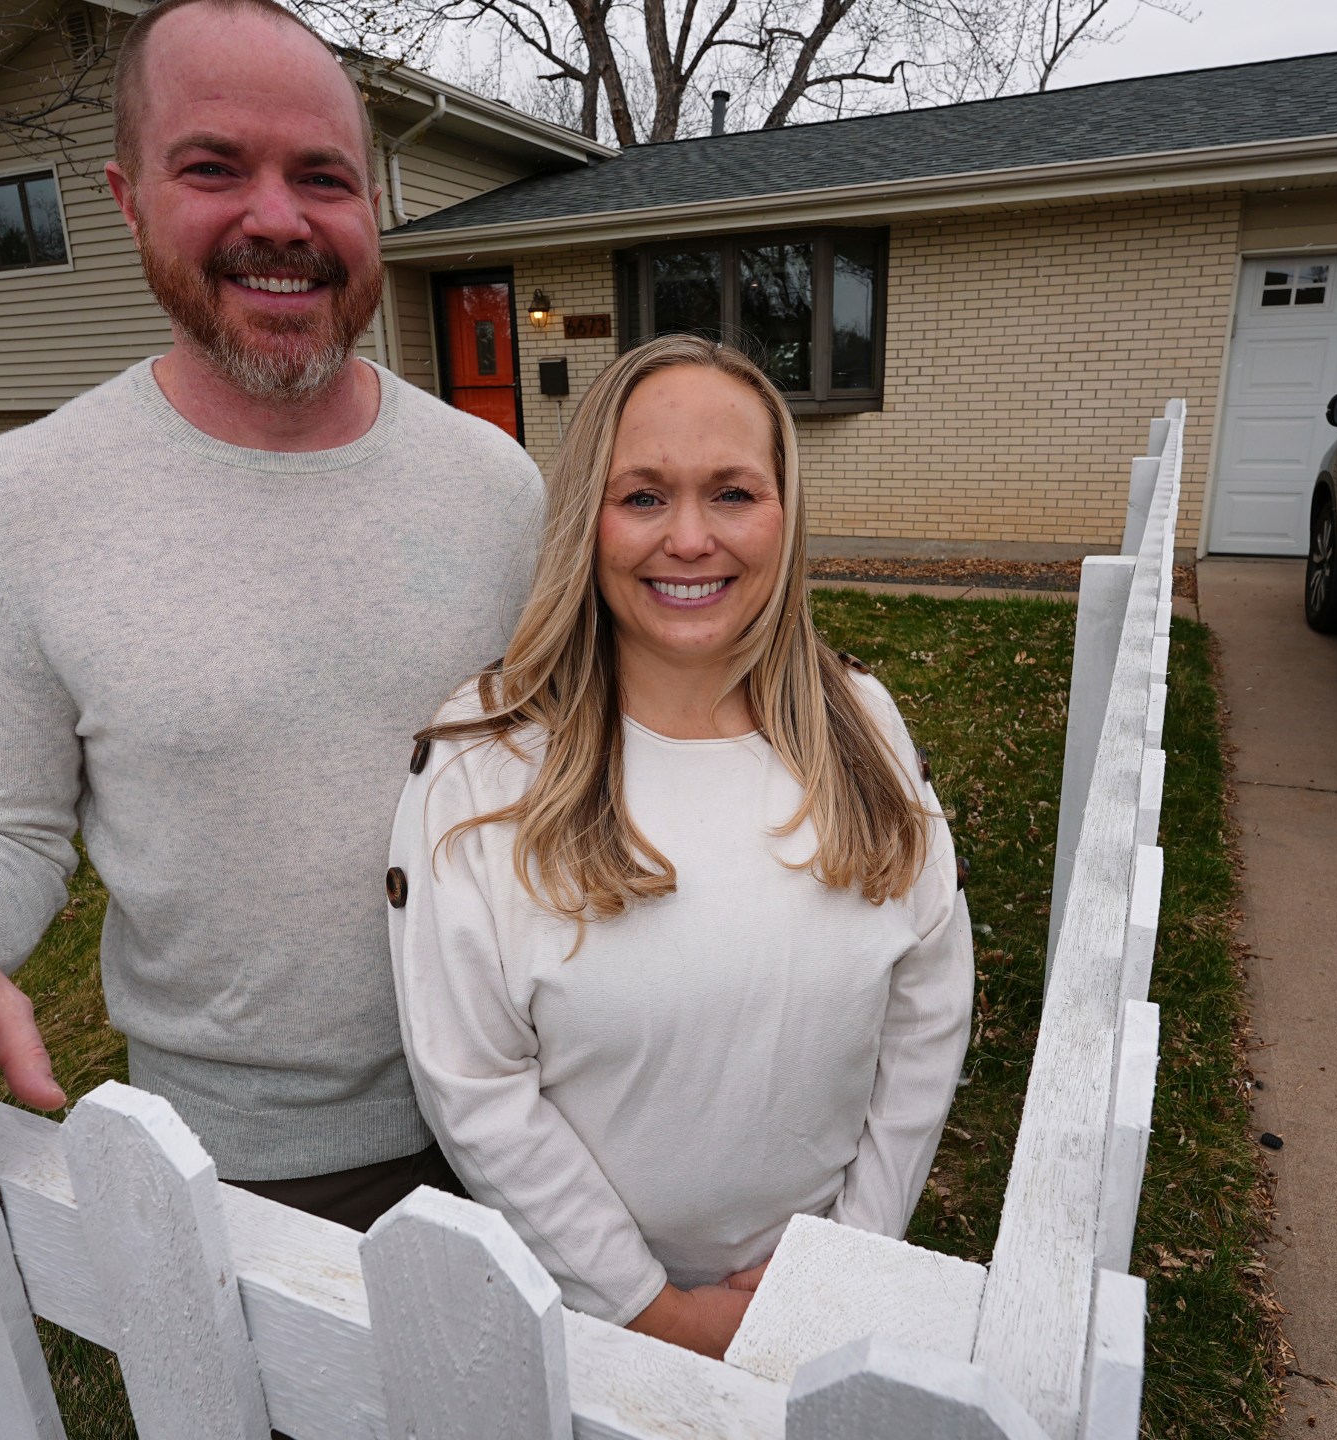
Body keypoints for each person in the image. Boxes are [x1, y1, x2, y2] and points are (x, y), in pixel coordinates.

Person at [0, 0, 542, 1230]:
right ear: (128, 200)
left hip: (545, 1103)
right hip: (265, 1163)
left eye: (321, 177)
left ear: (370, 206)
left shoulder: (498, 483)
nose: (278, 218)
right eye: (214, 168)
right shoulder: (12, 506)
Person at [386, 335, 975, 1358]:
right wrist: (648, 1307)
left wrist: (845, 1257)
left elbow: (929, 1010)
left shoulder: (862, 724)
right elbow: (470, 1075)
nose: (691, 539)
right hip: (587, 1323)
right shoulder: (483, 760)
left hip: (818, 1293)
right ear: (586, 521)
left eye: (734, 494)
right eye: (644, 497)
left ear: (785, 515)